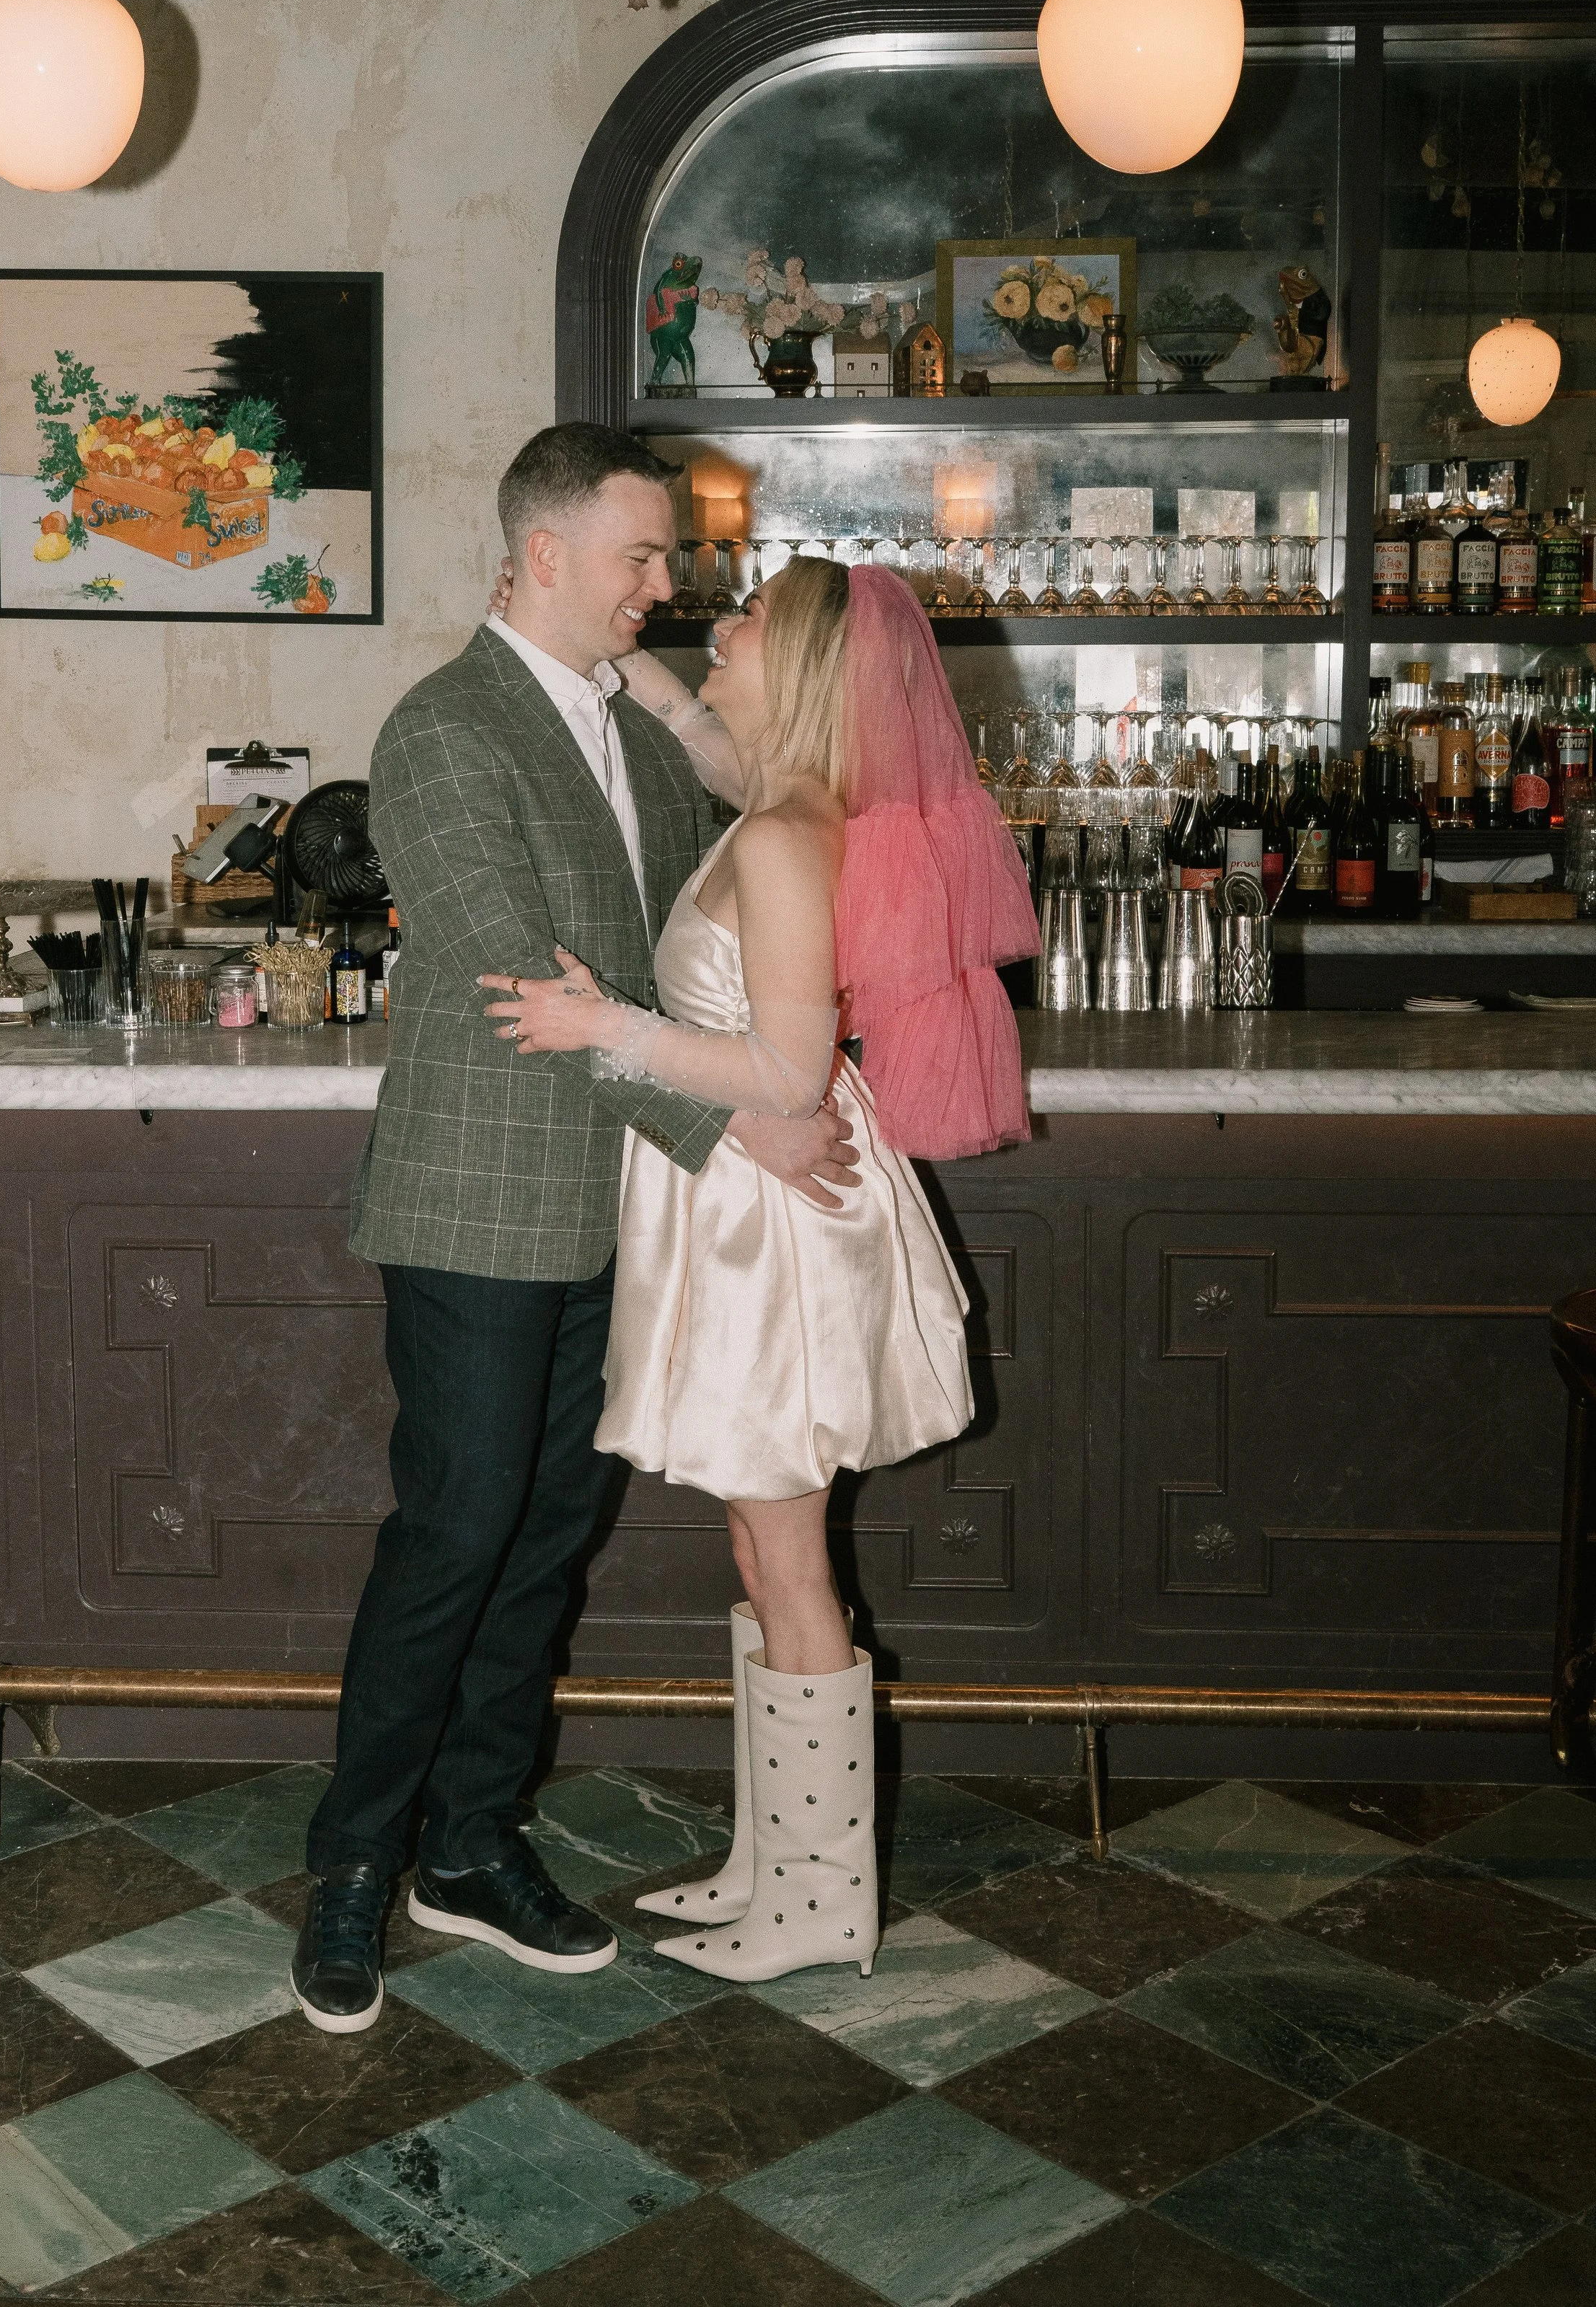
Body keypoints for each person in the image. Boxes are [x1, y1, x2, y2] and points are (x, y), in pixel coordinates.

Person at [291, 425, 860, 2034]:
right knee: (454, 1535)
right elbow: (516, 988)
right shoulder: (441, 729)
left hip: (622, 1214)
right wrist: (744, 1112)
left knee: (545, 1544)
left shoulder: (630, 724)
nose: (663, 585)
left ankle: (468, 1849)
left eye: (667, 559)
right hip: (479, 1205)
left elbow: (772, 836)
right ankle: (349, 1864)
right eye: (638, 557)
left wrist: (672, 691)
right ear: (541, 554)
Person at [482, 555, 1038, 1980]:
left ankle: (815, 1909)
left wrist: (599, 1024)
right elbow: (707, 743)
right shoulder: (775, 805)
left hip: (778, 1232)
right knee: (760, 1543)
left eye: (741, 625)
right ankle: (771, 1863)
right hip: (745, 1217)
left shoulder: (789, 836)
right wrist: (628, 666)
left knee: (788, 1558)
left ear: (795, 671)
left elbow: (788, 1071)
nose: (711, 628)